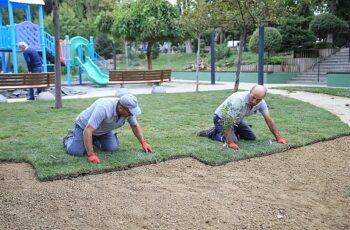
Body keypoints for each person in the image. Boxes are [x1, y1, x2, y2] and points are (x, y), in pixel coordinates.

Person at [63, 94, 152, 164]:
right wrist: (91, 154)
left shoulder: (128, 112)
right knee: (77, 151)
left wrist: (143, 142)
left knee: (112, 148)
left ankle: (92, 140)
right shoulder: (103, 108)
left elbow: (134, 125)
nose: (131, 114)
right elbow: (88, 130)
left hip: (103, 131)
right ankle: (70, 137)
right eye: (130, 112)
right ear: (120, 108)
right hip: (84, 127)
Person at [203, 85, 286, 150]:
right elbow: (228, 120)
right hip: (221, 119)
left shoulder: (262, 103)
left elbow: (269, 120)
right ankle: (212, 133)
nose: (254, 101)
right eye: (253, 97)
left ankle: (232, 131)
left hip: (237, 120)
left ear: (262, 98)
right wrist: (231, 143)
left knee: (251, 137)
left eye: (258, 99)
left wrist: (278, 138)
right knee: (234, 140)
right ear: (250, 92)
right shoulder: (239, 100)